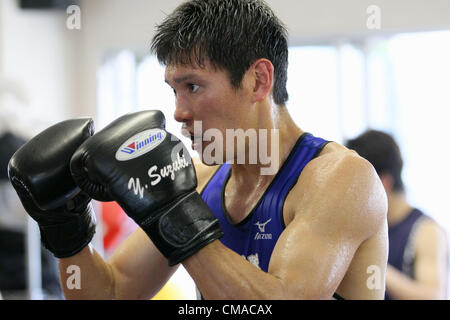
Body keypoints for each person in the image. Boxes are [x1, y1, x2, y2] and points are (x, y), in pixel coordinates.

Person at [8, 0, 388, 300]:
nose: (179, 111)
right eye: (174, 89)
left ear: (258, 80)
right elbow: (110, 292)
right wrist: (65, 225)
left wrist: (176, 216)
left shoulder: (340, 181)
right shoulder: (201, 184)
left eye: (193, 86)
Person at [346, 129, 448, 300]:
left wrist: (373, 265)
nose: (351, 191)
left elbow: (434, 296)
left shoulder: (427, 231)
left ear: (383, 181)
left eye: (356, 181)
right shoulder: (363, 225)